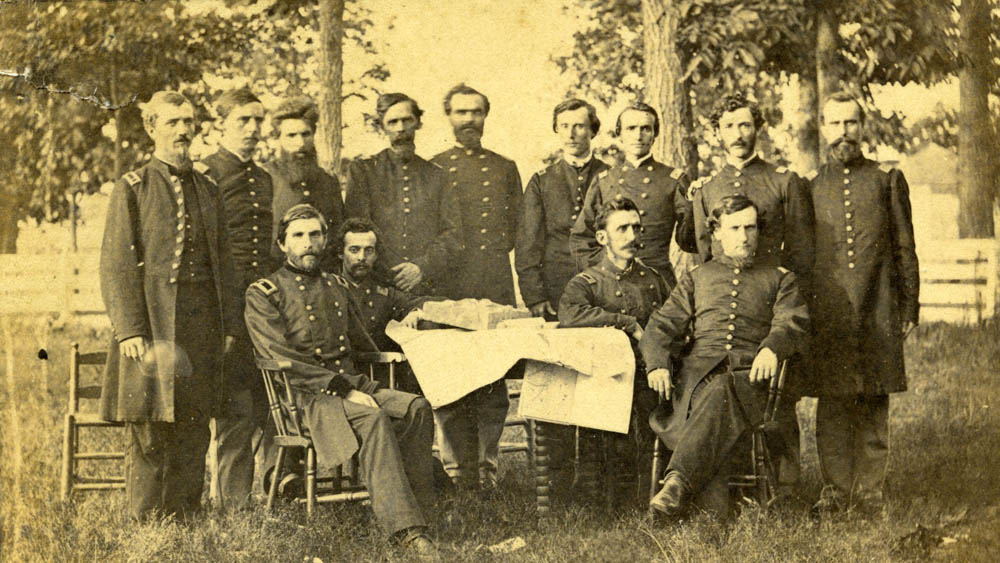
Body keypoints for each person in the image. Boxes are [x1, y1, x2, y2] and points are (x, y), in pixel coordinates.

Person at [244, 204, 438, 559]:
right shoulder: (265, 292)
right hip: (304, 400)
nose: (308, 244)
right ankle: (406, 531)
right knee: (373, 417)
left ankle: (421, 510)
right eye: (298, 236)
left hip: (351, 385)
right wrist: (342, 388)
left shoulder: (336, 284)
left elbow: (365, 344)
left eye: (315, 235)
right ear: (282, 244)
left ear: (325, 240)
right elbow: (281, 359)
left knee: (417, 408)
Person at [98, 91, 240, 520]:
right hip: (154, 325)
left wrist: (230, 325)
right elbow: (116, 263)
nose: (183, 130)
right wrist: (130, 329)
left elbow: (226, 261)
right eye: (173, 121)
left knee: (195, 422)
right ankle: (146, 520)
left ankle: (184, 514)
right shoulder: (133, 187)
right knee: (150, 424)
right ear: (152, 128)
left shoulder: (208, 187)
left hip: (202, 327)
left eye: (189, 121)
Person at [641, 195, 809, 518]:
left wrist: (772, 347)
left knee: (721, 391)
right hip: (696, 382)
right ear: (717, 232)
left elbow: (792, 321)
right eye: (734, 228)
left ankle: (676, 485)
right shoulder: (697, 278)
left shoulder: (779, 278)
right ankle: (707, 510)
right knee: (713, 393)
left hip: (753, 383)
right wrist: (658, 364)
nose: (744, 237)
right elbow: (660, 326)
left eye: (751, 227)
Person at [808, 92, 919, 512]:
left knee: (874, 397)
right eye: (835, 124)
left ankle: (870, 488)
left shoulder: (887, 178)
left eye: (851, 123)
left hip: (879, 305)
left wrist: (909, 307)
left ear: (862, 126)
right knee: (833, 399)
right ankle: (835, 488)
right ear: (823, 128)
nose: (843, 133)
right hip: (829, 311)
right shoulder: (810, 183)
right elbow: (802, 255)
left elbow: (905, 246)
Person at [429, 83, 522, 490]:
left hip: (494, 282)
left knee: (493, 384)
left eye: (476, 112)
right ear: (448, 117)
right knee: (451, 381)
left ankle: (487, 467)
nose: (469, 120)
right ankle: (454, 470)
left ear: (487, 116)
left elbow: (517, 228)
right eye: (460, 112)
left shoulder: (504, 167)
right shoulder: (432, 168)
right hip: (448, 288)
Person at [558, 197, 671, 505]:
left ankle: (657, 493)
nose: (632, 236)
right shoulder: (587, 283)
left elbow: (674, 321)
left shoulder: (654, 278)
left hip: (654, 376)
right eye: (622, 228)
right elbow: (569, 316)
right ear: (602, 237)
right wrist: (627, 322)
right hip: (607, 382)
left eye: (636, 227)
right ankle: (608, 500)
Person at [200, 86, 276, 510]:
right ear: (220, 126)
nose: (252, 129)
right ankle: (231, 503)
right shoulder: (206, 173)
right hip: (221, 311)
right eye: (242, 121)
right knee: (232, 410)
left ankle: (267, 493)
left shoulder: (263, 178)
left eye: (258, 121)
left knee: (264, 403)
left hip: (259, 311)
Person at [690, 92, 815, 290]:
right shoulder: (706, 190)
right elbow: (706, 254)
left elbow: (800, 251)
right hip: (721, 294)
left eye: (745, 125)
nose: (737, 135)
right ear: (717, 132)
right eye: (728, 126)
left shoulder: (784, 181)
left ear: (758, 129)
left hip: (771, 291)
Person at [344, 93, 461, 295]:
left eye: (407, 120)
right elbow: (357, 230)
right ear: (382, 127)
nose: (400, 128)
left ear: (418, 123)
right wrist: (392, 272)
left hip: (427, 285)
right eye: (392, 122)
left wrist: (422, 267)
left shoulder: (438, 176)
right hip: (376, 285)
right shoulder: (363, 171)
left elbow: (453, 234)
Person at [569, 102, 696, 287]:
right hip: (613, 283)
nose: (638, 136)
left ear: (655, 135)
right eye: (631, 128)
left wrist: (694, 204)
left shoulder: (673, 179)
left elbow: (689, 242)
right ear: (620, 134)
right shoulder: (604, 180)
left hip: (658, 281)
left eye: (645, 129)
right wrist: (604, 271)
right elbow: (581, 237)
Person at [516, 98, 610, 320]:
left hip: (603, 287)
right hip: (555, 291)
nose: (571, 134)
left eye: (579, 126)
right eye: (564, 126)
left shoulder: (611, 176)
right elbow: (527, 244)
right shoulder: (542, 181)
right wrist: (535, 296)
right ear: (557, 130)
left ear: (593, 131)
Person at [337, 217, 429, 387]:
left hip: (378, 379)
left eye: (369, 251)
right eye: (354, 250)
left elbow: (417, 303)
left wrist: (415, 312)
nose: (362, 257)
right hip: (343, 380)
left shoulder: (382, 292)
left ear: (376, 254)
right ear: (341, 253)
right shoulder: (330, 288)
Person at [266, 97, 345, 272]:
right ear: (277, 138)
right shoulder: (265, 177)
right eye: (291, 135)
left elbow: (338, 233)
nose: (300, 143)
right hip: (278, 276)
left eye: (305, 134)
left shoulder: (328, 182)